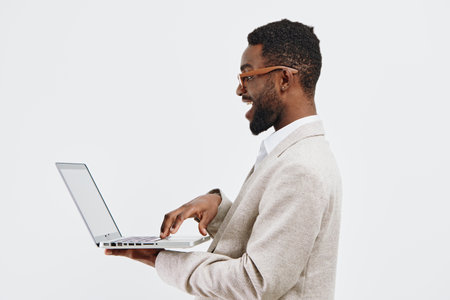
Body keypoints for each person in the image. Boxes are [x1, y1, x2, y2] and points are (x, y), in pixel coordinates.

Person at [106, 19, 342, 300]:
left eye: (248, 76)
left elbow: (254, 283)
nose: (240, 90)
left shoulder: (300, 168)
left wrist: (160, 259)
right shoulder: (293, 155)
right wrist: (219, 210)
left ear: (283, 79)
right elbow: (274, 240)